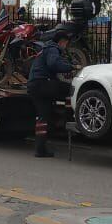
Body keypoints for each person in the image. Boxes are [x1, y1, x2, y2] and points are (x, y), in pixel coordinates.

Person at [26, 29, 75, 158]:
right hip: (42, 84)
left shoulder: (45, 49)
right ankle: (70, 115)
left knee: (43, 116)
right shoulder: (53, 49)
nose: (66, 47)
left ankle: (40, 149)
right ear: (62, 42)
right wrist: (71, 67)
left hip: (34, 86)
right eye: (66, 44)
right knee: (71, 89)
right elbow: (53, 64)